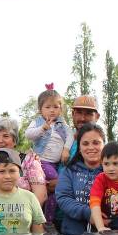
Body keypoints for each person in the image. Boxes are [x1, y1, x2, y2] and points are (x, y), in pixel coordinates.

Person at [24, 84, 72, 224]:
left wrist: (66, 149)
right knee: (59, 185)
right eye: (48, 107)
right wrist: (42, 128)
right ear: (40, 110)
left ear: (61, 109)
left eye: (55, 107)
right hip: (41, 162)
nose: (52, 110)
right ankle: (47, 222)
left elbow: (70, 136)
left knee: (54, 193)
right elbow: (28, 134)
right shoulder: (38, 122)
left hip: (55, 164)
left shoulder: (62, 125)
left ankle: (46, 219)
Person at [0, 116, 46, 205]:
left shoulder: (29, 162)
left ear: (14, 141)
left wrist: (24, 215)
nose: (0, 140)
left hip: (22, 216)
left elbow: (41, 195)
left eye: (6, 136)